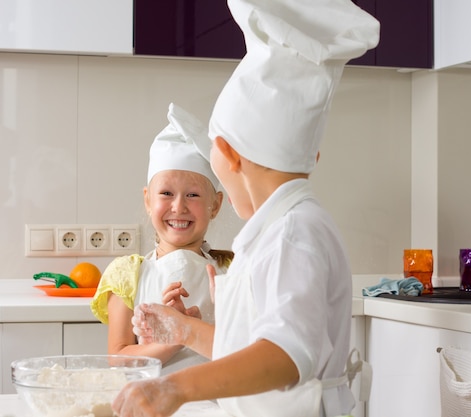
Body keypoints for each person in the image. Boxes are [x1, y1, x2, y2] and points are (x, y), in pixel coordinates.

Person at [112, 1, 379, 416]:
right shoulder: (278, 229)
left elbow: (284, 357)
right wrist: (184, 330)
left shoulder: (293, 233)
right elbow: (250, 347)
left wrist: (175, 388)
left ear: (227, 155)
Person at [91, 103, 233, 373]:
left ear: (215, 205)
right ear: (147, 199)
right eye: (166, 193)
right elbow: (119, 357)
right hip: (150, 407)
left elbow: (246, 350)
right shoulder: (127, 275)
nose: (179, 207)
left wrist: (186, 328)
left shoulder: (231, 270)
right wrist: (177, 337)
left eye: (193, 195)